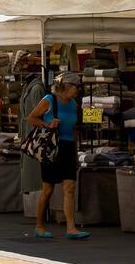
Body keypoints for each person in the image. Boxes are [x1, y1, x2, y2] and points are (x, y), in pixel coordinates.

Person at [28, 74, 89, 240]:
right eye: (77, 87)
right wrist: (47, 124)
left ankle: (71, 228)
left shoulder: (73, 104)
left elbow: (73, 130)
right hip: (51, 146)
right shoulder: (49, 100)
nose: (79, 90)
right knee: (48, 189)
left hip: (68, 147)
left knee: (69, 187)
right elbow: (31, 118)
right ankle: (39, 226)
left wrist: (75, 153)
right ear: (67, 86)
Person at [16, 54, 47, 207]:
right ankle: (35, 203)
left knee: (35, 170)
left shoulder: (36, 89)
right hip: (28, 132)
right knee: (30, 169)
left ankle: (39, 204)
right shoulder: (29, 88)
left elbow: (38, 114)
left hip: (34, 133)